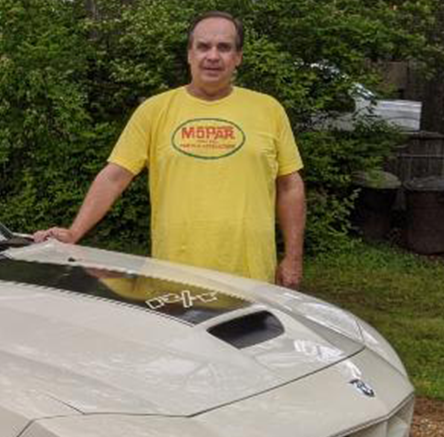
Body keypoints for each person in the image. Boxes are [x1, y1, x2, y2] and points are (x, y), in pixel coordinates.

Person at [33, 11, 306, 287]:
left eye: (224, 47)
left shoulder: (268, 109)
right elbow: (115, 177)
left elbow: (290, 186)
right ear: (189, 54)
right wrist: (74, 232)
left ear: (238, 57)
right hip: (174, 276)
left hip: (253, 277)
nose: (213, 56)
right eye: (203, 46)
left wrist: (293, 257)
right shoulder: (154, 110)